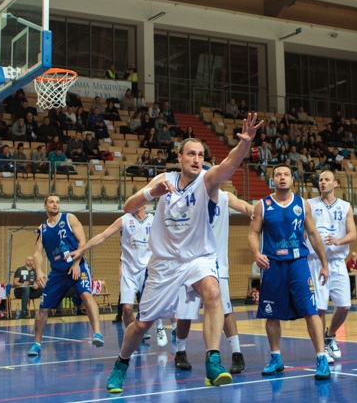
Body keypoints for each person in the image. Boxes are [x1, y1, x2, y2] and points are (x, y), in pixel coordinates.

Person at [105, 114, 263, 393]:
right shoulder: (163, 180)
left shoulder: (208, 180)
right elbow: (129, 206)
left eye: (201, 154)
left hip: (197, 259)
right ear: (179, 157)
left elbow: (228, 166)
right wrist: (151, 193)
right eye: (191, 153)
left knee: (213, 292)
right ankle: (121, 364)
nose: (197, 158)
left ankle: (213, 360)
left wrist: (245, 144)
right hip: (165, 262)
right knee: (141, 325)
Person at [248, 164, 332, 381]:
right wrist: (256, 253)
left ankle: (322, 358)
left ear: (292, 179)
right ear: (272, 180)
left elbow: (313, 234)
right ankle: (276, 357)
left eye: (286, 174)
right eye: (278, 175)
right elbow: (253, 233)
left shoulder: (302, 204)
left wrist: (324, 263)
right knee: (271, 314)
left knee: (310, 311)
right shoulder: (262, 205)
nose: (282, 178)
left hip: (298, 264)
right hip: (272, 265)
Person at [175, 191, 253, 374]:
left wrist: (255, 212)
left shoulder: (225, 197)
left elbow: (245, 206)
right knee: (185, 313)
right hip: (190, 263)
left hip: (217, 265)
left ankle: (236, 353)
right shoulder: (190, 198)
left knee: (225, 310)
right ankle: (180, 352)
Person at [68, 206, 169, 345]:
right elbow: (103, 235)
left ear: (145, 204)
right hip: (129, 269)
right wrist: (81, 249)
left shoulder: (153, 220)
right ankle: (134, 338)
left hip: (147, 268)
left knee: (150, 303)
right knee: (127, 309)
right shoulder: (125, 220)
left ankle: (159, 326)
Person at [28, 195, 103, 356]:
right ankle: (36, 344)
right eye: (51, 202)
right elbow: (37, 253)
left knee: (86, 294)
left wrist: (76, 263)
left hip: (77, 266)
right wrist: (39, 270)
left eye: (57, 202)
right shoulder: (43, 228)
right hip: (58, 272)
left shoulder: (69, 218)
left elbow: (82, 242)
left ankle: (97, 333)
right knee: (43, 309)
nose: (55, 205)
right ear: (45, 205)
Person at [305, 170, 356, 363]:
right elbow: (304, 231)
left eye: (327, 179)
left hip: (337, 262)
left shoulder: (345, 207)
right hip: (316, 262)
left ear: (335, 184)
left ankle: (330, 335)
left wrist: (338, 240)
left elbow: (353, 234)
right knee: (319, 308)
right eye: (320, 180)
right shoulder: (309, 204)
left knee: (344, 306)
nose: (323, 182)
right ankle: (321, 350)